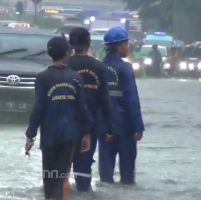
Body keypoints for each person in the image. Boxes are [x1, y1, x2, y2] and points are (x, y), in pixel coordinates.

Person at [25, 37, 92, 200]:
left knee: (49, 176)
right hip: (69, 136)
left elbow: (38, 108)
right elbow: (82, 108)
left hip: (49, 137)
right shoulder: (76, 78)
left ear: (49, 53)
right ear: (67, 53)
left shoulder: (42, 77)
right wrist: (87, 133)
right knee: (63, 175)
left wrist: (30, 135)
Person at [67, 27, 113, 192]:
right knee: (84, 164)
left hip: (65, 124)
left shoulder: (63, 66)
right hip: (91, 125)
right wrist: (109, 127)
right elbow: (105, 99)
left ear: (71, 44)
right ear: (88, 43)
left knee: (62, 168)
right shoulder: (99, 67)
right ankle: (83, 192)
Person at [100, 27, 144, 185]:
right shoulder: (126, 68)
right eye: (127, 43)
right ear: (119, 46)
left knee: (105, 176)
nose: (128, 47)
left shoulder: (99, 67)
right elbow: (132, 99)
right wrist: (139, 126)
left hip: (104, 127)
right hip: (125, 127)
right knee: (127, 177)